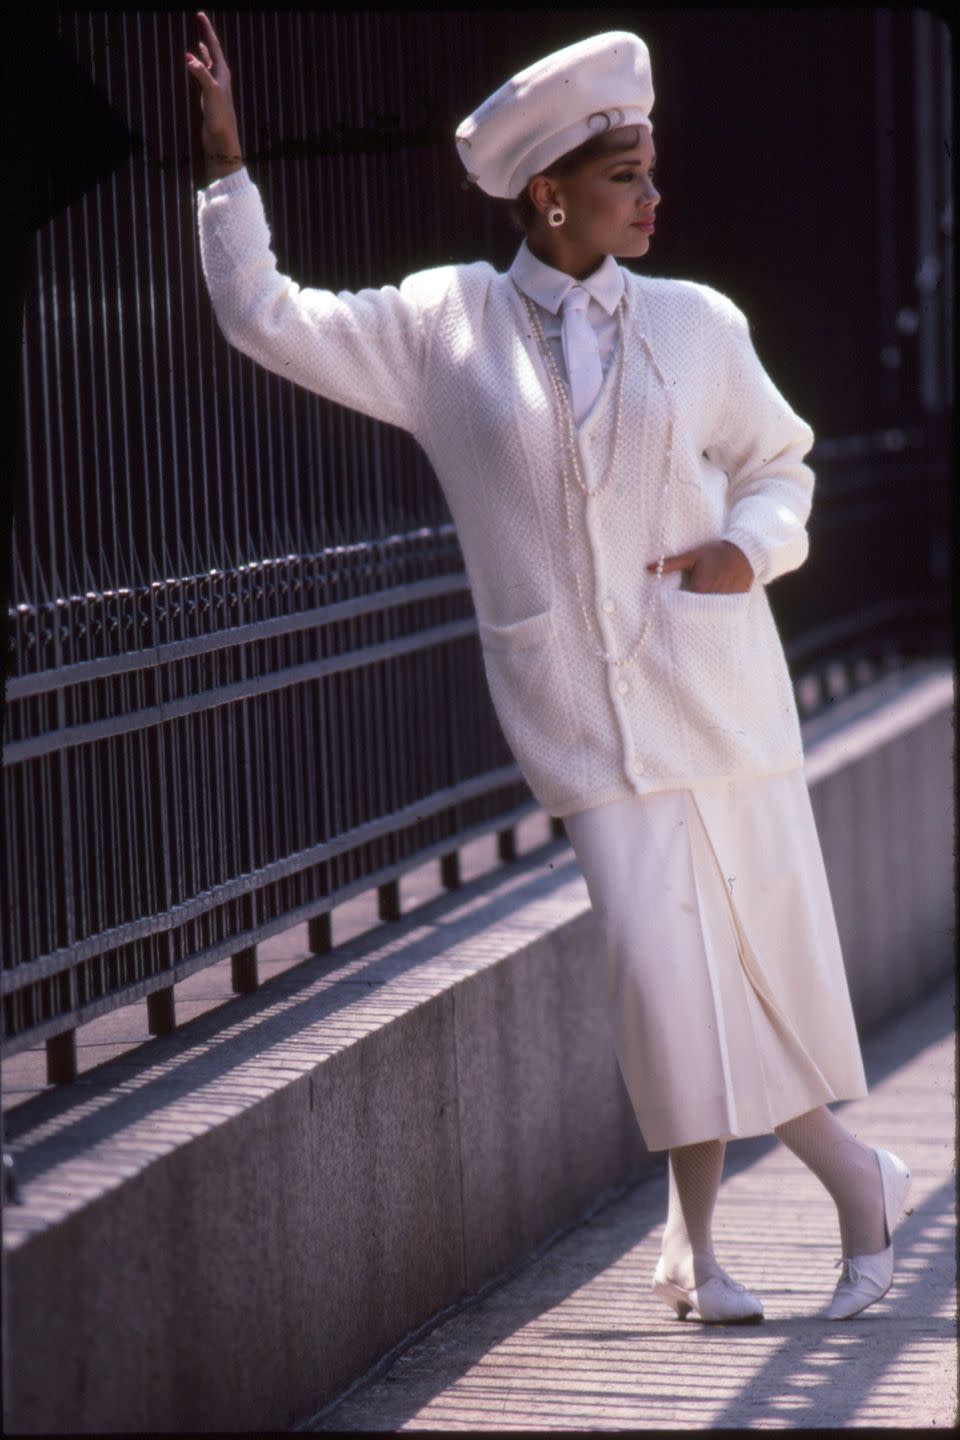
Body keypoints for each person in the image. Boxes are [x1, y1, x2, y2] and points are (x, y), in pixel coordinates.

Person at [186, 17, 912, 1324]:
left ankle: (702, 1246)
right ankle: (858, 1183)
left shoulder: (698, 324)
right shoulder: (439, 329)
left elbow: (781, 463)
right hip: (584, 735)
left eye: (649, 168)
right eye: (627, 173)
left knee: (757, 972)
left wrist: (749, 551)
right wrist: (228, 170)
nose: (653, 194)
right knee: (671, 983)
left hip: (725, 711)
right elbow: (263, 316)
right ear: (549, 190)